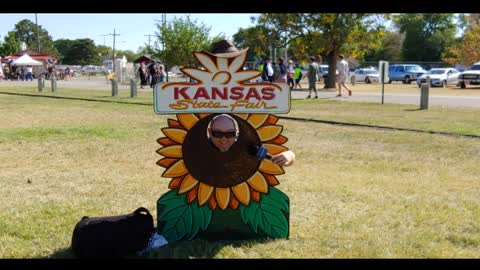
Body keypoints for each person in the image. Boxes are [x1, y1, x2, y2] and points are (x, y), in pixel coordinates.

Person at [207, 114, 295, 166]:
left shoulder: (247, 147)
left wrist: (287, 156)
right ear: (210, 132)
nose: (223, 139)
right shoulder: (201, 148)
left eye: (230, 134)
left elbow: (289, 155)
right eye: (217, 133)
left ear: (236, 132)